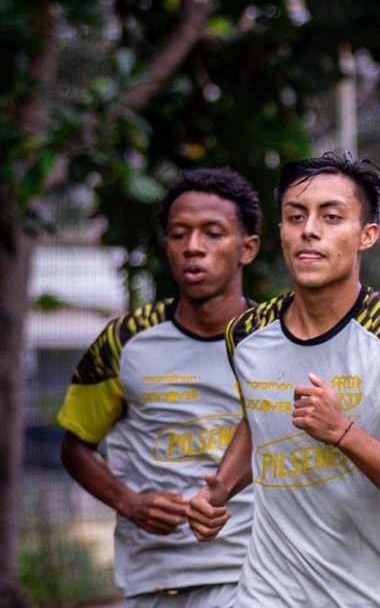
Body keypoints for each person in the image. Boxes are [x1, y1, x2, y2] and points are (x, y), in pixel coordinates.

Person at [186, 153, 380, 607]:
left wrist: (343, 433)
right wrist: (219, 487)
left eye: (331, 217)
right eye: (295, 217)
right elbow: (257, 420)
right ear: (280, 231)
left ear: (366, 235)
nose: (309, 230)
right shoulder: (246, 335)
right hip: (266, 593)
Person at [58, 167, 262, 607]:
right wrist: (130, 503)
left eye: (212, 233)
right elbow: (76, 447)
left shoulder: (278, 340)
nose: (193, 247)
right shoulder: (124, 341)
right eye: (179, 234)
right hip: (150, 579)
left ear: (247, 248)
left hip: (254, 575)